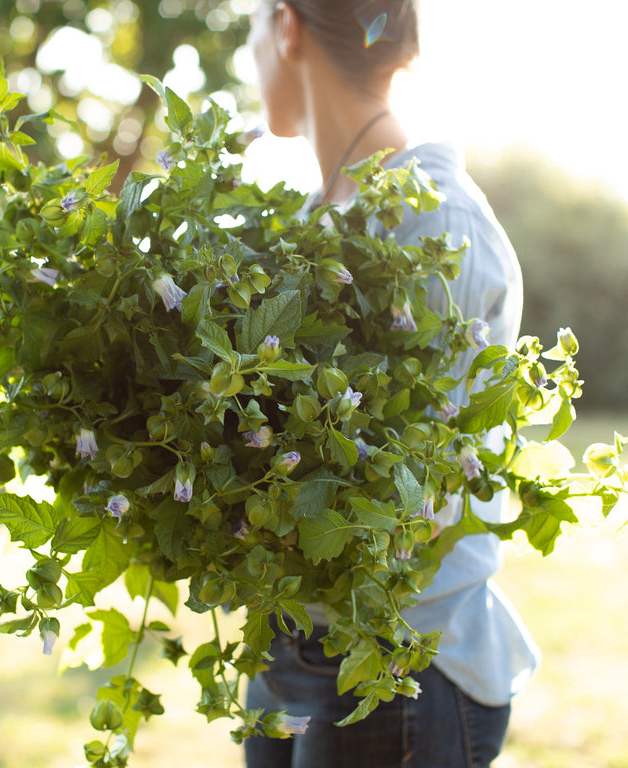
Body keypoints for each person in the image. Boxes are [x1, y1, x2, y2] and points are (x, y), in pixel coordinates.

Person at [244, 2, 540, 767]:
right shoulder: (315, 224)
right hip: (293, 648)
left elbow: (421, 508)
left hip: (397, 664)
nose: (247, 55)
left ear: (287, 26)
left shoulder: (434, 222)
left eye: (249, 27)